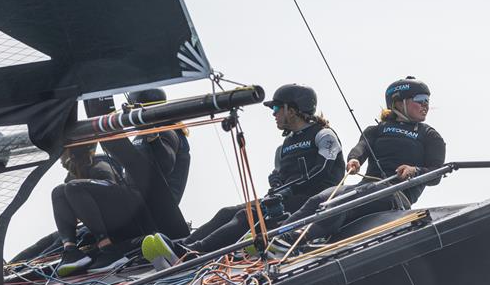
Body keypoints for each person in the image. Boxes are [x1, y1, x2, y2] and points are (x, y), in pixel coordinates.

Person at [141, 83, 346, 265]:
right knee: (226, 211)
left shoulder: (323, 134)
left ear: (291, 110)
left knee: (246, 215)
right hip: (287, 198)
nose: (273, 113)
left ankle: (192, 253)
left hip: (314, 201)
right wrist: (277, 182)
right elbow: (280, 175)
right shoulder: (286, 144)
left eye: (276, 108)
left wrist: (289, 188)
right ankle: (181, 245)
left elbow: (322, 171)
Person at [275, 76, 446, 248]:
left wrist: (414, 170)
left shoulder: (430, 136)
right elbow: (361, 147)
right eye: (420, 100)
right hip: (365, 187)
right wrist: (354, 159)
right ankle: (276, 238)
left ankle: (297, 238)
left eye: (427, 100)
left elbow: (436, 174)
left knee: (341, 202)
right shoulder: (377, 130)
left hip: (395, 194)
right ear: (398, 102)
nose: (426, 105)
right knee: (319, 199)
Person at [80, 88, 192, 273]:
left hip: (157, 209)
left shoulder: (168, 132)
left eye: (129, 109)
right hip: (139, 202)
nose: (126, 114)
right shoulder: (141, 136)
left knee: (83, 192)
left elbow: (165, 164)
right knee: (82, 233)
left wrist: (152, 134)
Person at [52, 144, 150, 276]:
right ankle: (71, 251)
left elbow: (113, 193)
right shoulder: (71, 177)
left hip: (126, 219)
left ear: (72, 152)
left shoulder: (101, 165)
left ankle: (108, 249)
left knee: (73, 187)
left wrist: (80, 196)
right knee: (58, 191)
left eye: (62, 153)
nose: (59, 159)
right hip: (103, 221)